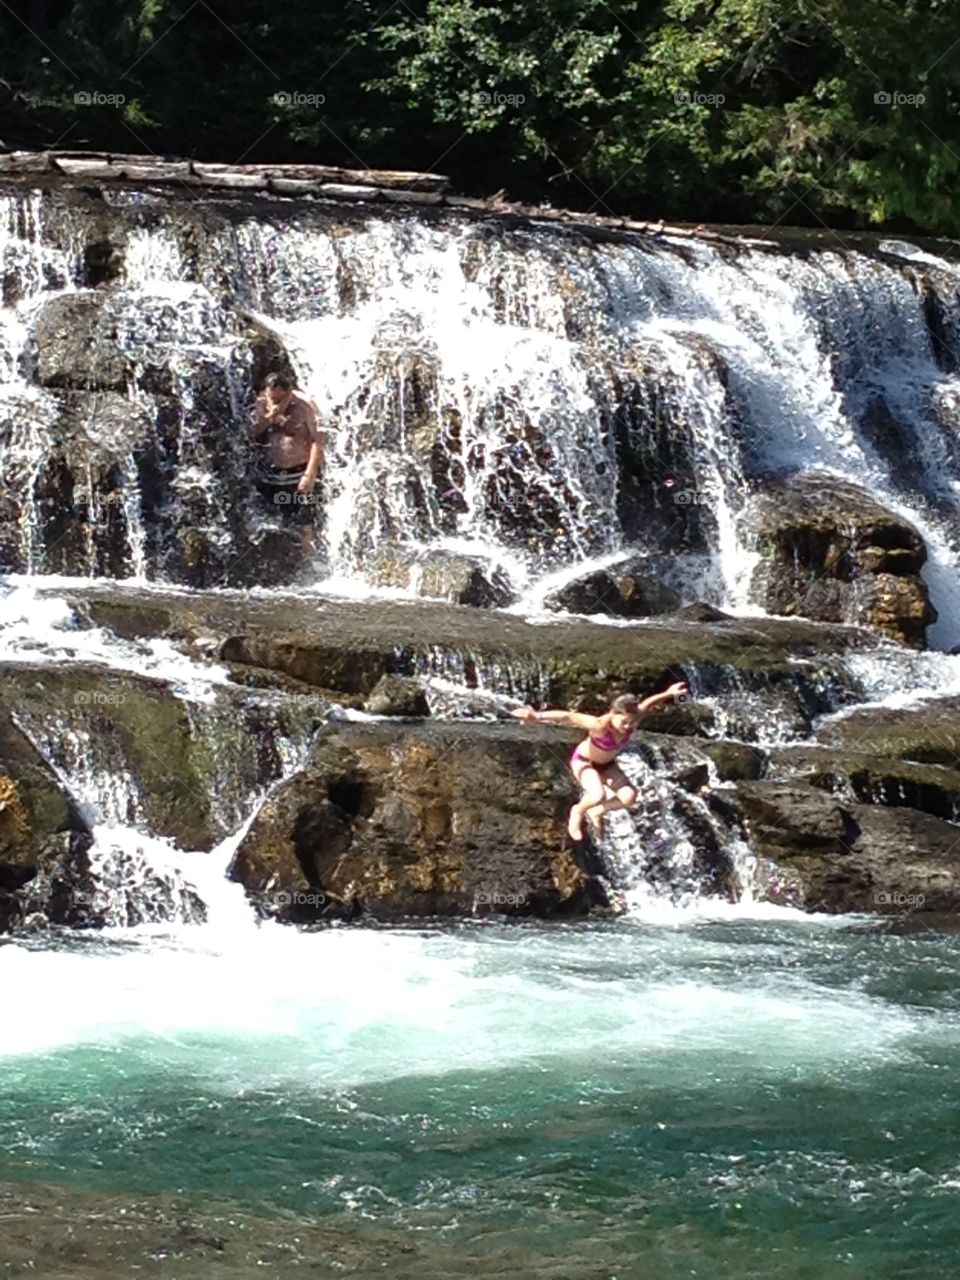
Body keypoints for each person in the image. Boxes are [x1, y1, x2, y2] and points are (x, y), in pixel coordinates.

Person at [512, 683, 690, 841]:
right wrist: (536, 716)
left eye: (633, 722)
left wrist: (669, 693)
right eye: (624, 722)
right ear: (613, 714)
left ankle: (597, 811)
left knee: (629, 797)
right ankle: (578, 811)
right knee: (597, 795)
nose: (629, 726)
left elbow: (649, 703)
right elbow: (568, 716)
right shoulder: (599, 725)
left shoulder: (634, 716)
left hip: (608, 765)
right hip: (585, 762)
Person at [253, 372, 325, 552]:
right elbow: (252, 432)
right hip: (271, 475)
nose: (276, 402)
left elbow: (319, 440)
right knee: (271, 522)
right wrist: (271, 415)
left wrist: (310, 474)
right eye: (273, 398)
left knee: (304, 522)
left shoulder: (305, 406)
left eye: (281, 398)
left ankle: (312, 562)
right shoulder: (261, 403)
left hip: (298, 474)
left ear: (290, 392)